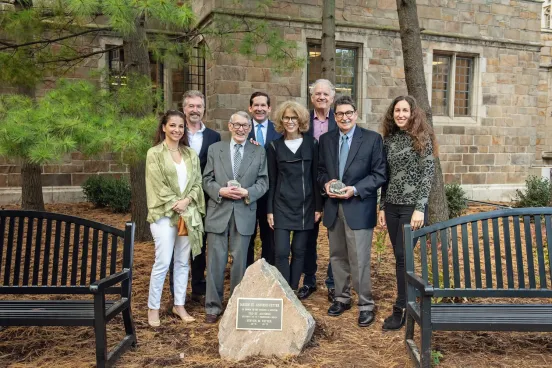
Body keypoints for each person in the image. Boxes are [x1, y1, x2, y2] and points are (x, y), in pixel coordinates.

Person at [318, 95, 386, 327]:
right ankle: (341, 297)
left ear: (355, 114)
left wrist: (354, 190)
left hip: (358, 208)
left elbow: (379, 175)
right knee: (337, 257)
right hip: (333, 209)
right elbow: (319, 171)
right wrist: (325, 184)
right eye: (340, 114)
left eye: (349, 113)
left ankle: (366, 304)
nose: (344, 117)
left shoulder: (372, 139)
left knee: (359, 261)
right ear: (334, 116)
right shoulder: (326, 140)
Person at [203, 111, 268, 323]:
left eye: (245, 126)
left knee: (240, 261)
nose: (241, 129)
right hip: (218, 210)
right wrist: (219, 191)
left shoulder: (258, 152)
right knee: (215, 261)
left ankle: (235, 305)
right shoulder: (215, 149)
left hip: (244, 211)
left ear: (250, 128)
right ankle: (213, 306)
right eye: (237, 125)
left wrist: (248, 192)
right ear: (229, 126)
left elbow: (263, 182)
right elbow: (206, 179)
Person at [378, 95, 437, 331]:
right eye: (397, 111)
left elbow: (427, 176)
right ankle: (407, 302)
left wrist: (420, 208)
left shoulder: (423, 139)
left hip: (412, 209)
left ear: (413, 113)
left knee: (403, 257)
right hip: (391, 207)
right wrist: (382, 207)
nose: (400, 114)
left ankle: (401, 308)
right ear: (392, 114)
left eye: (405, 110)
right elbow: (385, 177)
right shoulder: (388, 141)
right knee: (400, 258)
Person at [145, 110, 205, 327]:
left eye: (180, 126)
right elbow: (157, 185)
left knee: (182, 262)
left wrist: (187, 201)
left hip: (187, 214)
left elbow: (198, 182)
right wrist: (176, 204)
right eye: (172, 125)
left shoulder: (190, 154)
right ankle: (153, 308)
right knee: (162, 262)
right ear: (163, 127)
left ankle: (179, 305)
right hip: (163, 215)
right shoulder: (154, 153)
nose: (177, 130)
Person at [169, 90, 221, 302]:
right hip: (180, 200)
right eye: (191, 106)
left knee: (200, 243)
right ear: (184, 108)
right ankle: (176, 292)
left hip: (204, 200)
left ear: (204, 109)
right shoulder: (177, 134)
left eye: (199, 106)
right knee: (179, 243)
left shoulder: (214, 137)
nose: (195, 110)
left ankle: (198, 288)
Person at [267, 101, 323, 291]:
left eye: (294, 118)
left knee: (299, 251)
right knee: (281, 252)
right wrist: (270, 210)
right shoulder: (274, 146)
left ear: (301, 120)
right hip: (281, 206)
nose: (290, 121)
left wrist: (318, 207)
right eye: (286, 117)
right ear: (281, 120)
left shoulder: (312, 143)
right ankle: (283, 291)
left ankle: (292, 290)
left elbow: (316, 177)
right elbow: (272, 181)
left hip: (306, 206)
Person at [298, 79, 336, 302]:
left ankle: (333, 282)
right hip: (308, 188)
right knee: (307, 239)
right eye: (317, 94)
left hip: (334, 188)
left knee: (335, 239)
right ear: (312, 98)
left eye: (325, 94)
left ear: (332, 97)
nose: (321, 97)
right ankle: (309, 280)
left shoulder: (340, 119)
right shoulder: (304, 122)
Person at [246, 91, 282, 266]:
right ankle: (247, 277)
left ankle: (268, 276)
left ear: (269, 108)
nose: (259, 109)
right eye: (256, 105)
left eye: (263, 105)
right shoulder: (243, 130)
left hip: (271, 193)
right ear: (250, 108)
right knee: (247, 236)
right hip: (248, 193)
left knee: (270, 238)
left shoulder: (279, 131)